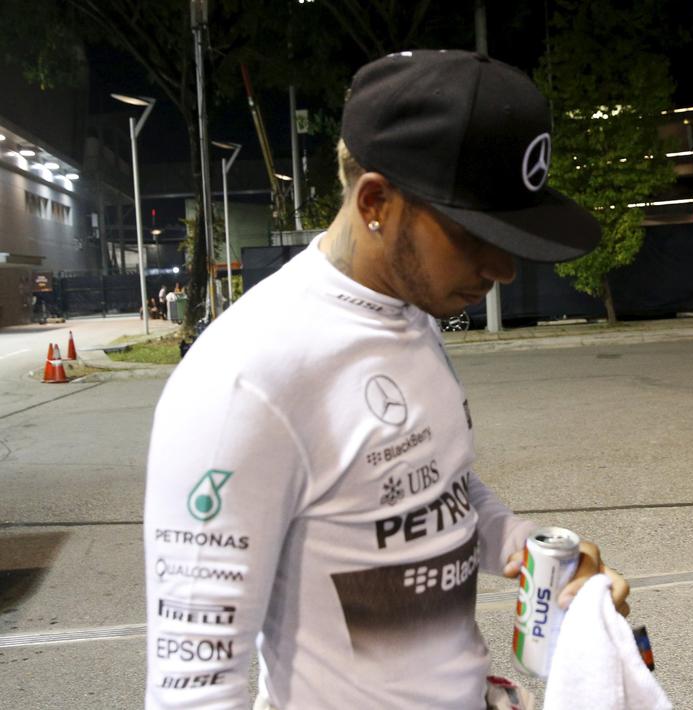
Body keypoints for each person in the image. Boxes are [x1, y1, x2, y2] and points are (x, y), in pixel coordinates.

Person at [144, 50, 629, 709]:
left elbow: (430, 488)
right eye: (475, 233)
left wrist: (525, 546)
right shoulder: (246, 379)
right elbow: (194, 690)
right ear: (375, 201)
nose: (504, 269)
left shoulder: (409, 309)